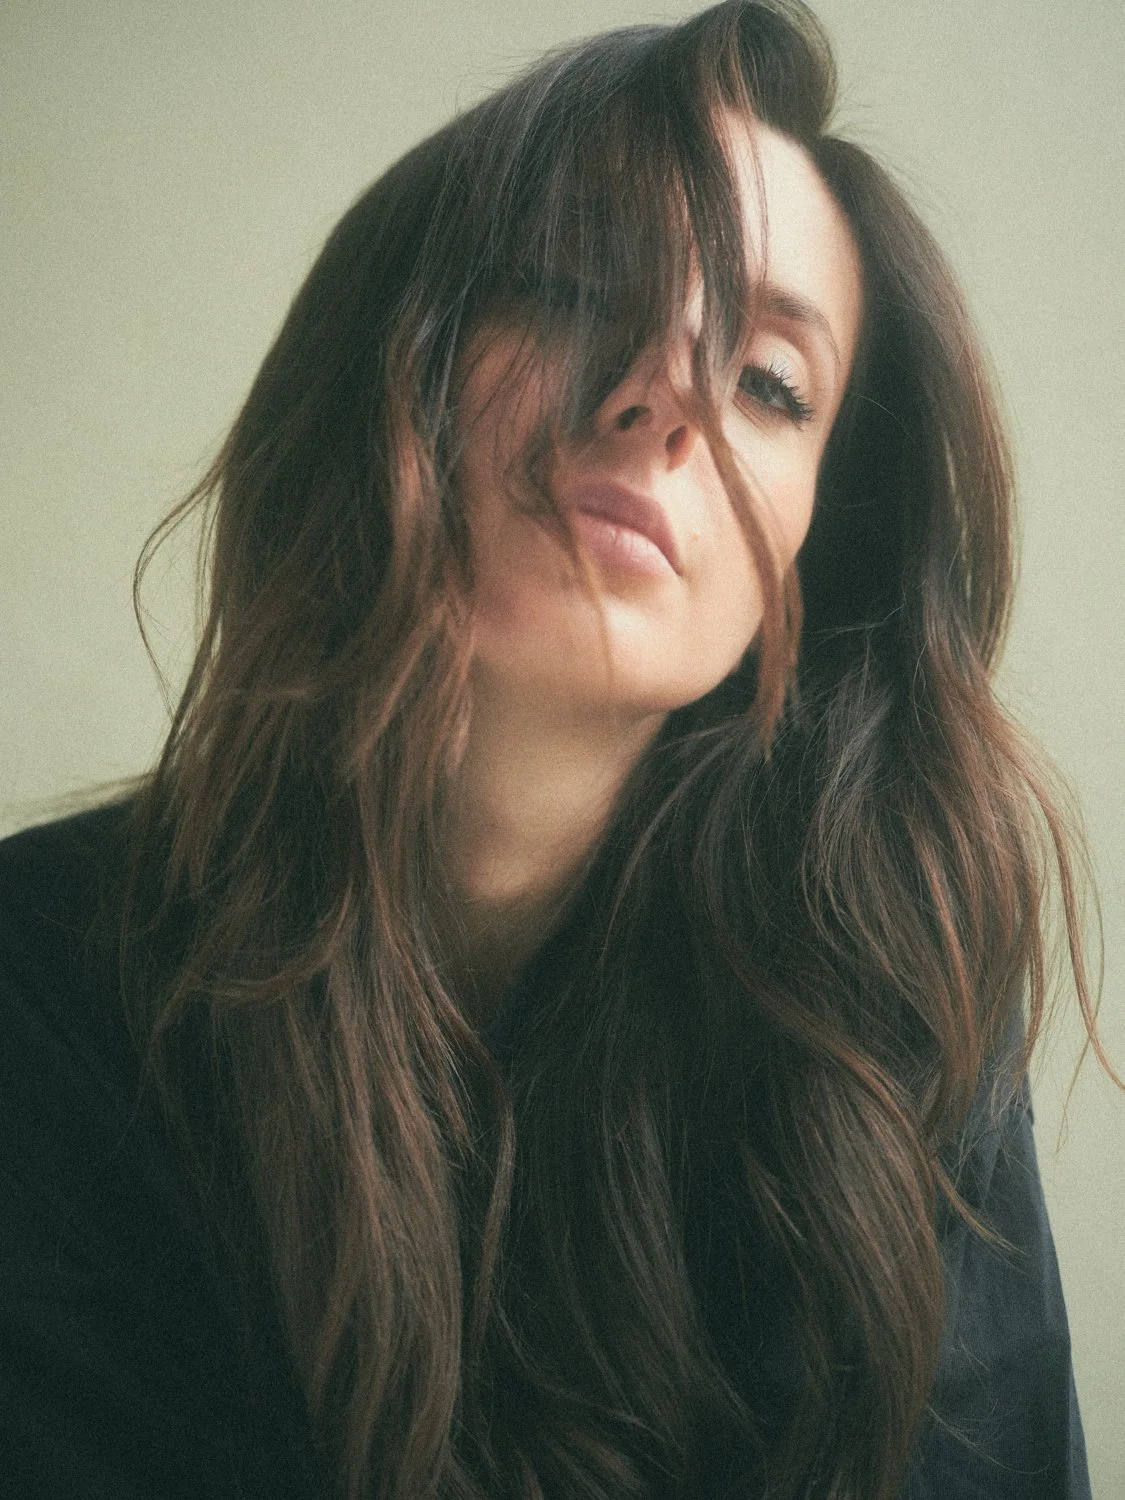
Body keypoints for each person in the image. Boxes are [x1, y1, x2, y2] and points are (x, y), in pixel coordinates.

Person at [0, 1, 1110, 1496]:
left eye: (772, 383)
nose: (664, 396)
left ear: (817, 553)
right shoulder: (42, 984)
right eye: (582, 288)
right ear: (404, 356)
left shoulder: (885, 1012)